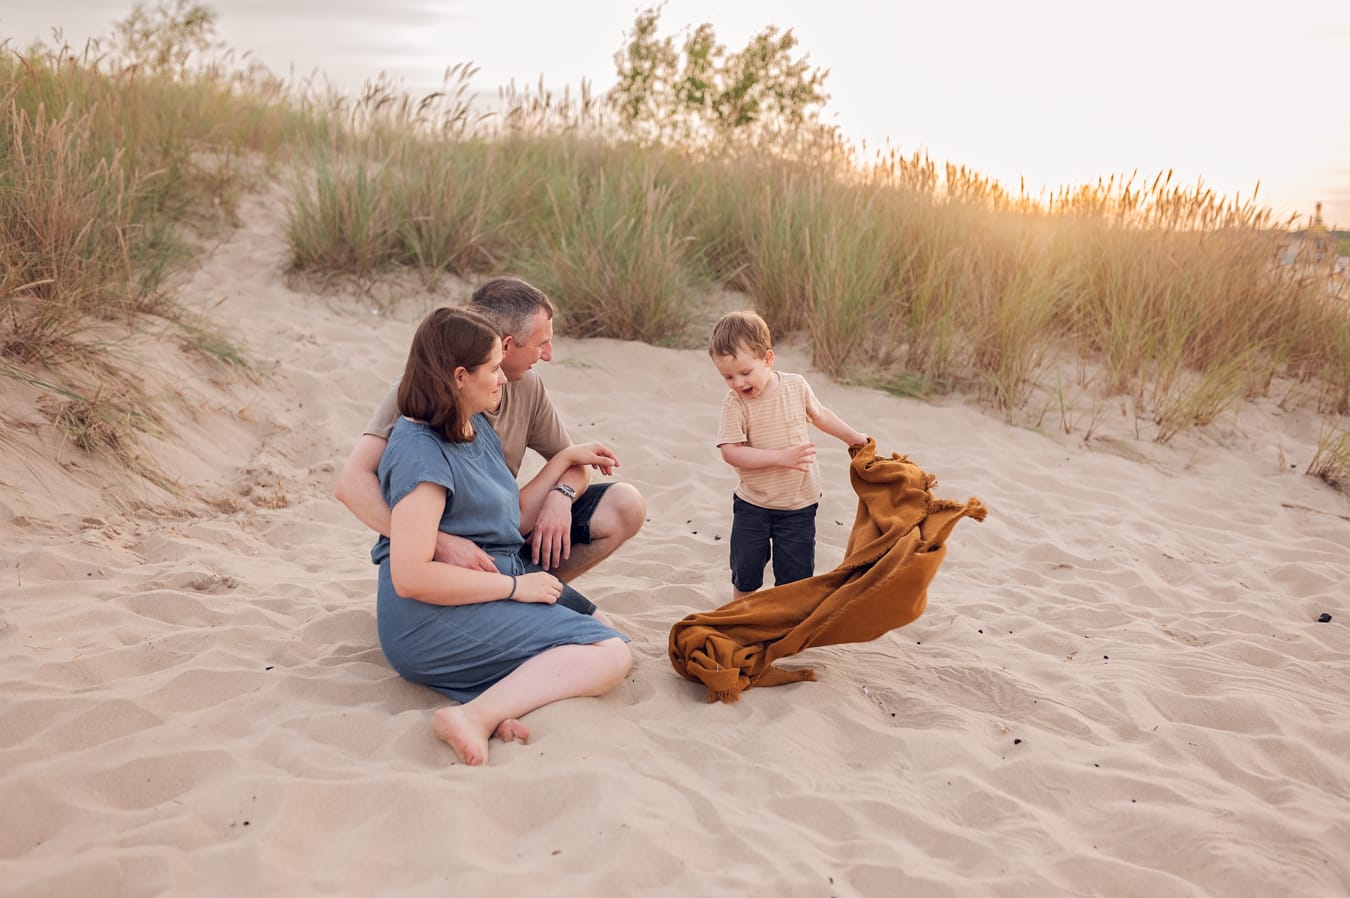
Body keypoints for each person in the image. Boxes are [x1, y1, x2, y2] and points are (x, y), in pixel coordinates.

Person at [373, 306, 632, 766]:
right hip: (427, 618)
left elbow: (509, 516)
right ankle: (474, 716)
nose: (503, 378)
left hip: (485, 587)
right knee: (608, 654)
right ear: (458, 376)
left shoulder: (472, 425)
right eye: (493, 369)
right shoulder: (420, 452)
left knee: (608, 633)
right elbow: (410, 576)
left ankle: (498, 705)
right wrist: (516, 588)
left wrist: (561, 461)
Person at [337, 278, 645, 592]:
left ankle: (531, 595)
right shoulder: (423, 390)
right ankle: (502, 598)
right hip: (439, 553)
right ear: (507, 344)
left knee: (624, 505)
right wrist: (438, 543)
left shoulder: (528, 386)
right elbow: (351, 483)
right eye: (541, 344)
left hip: (504, 528)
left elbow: (575, 467)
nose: (549, 355)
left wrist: (560, 498)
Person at [709, 310, 868, 600]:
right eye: (728, 377)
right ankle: (740, 615)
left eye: (745, 373)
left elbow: (820, 416)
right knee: (746, 571)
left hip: (799, 503)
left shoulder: (795, 386)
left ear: (768, 359)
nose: (737, 383)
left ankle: (784, 627)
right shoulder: (735, 405)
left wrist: (852, 437)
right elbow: (731, 452)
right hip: (753, 503)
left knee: (794, 577)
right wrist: (779, 458)